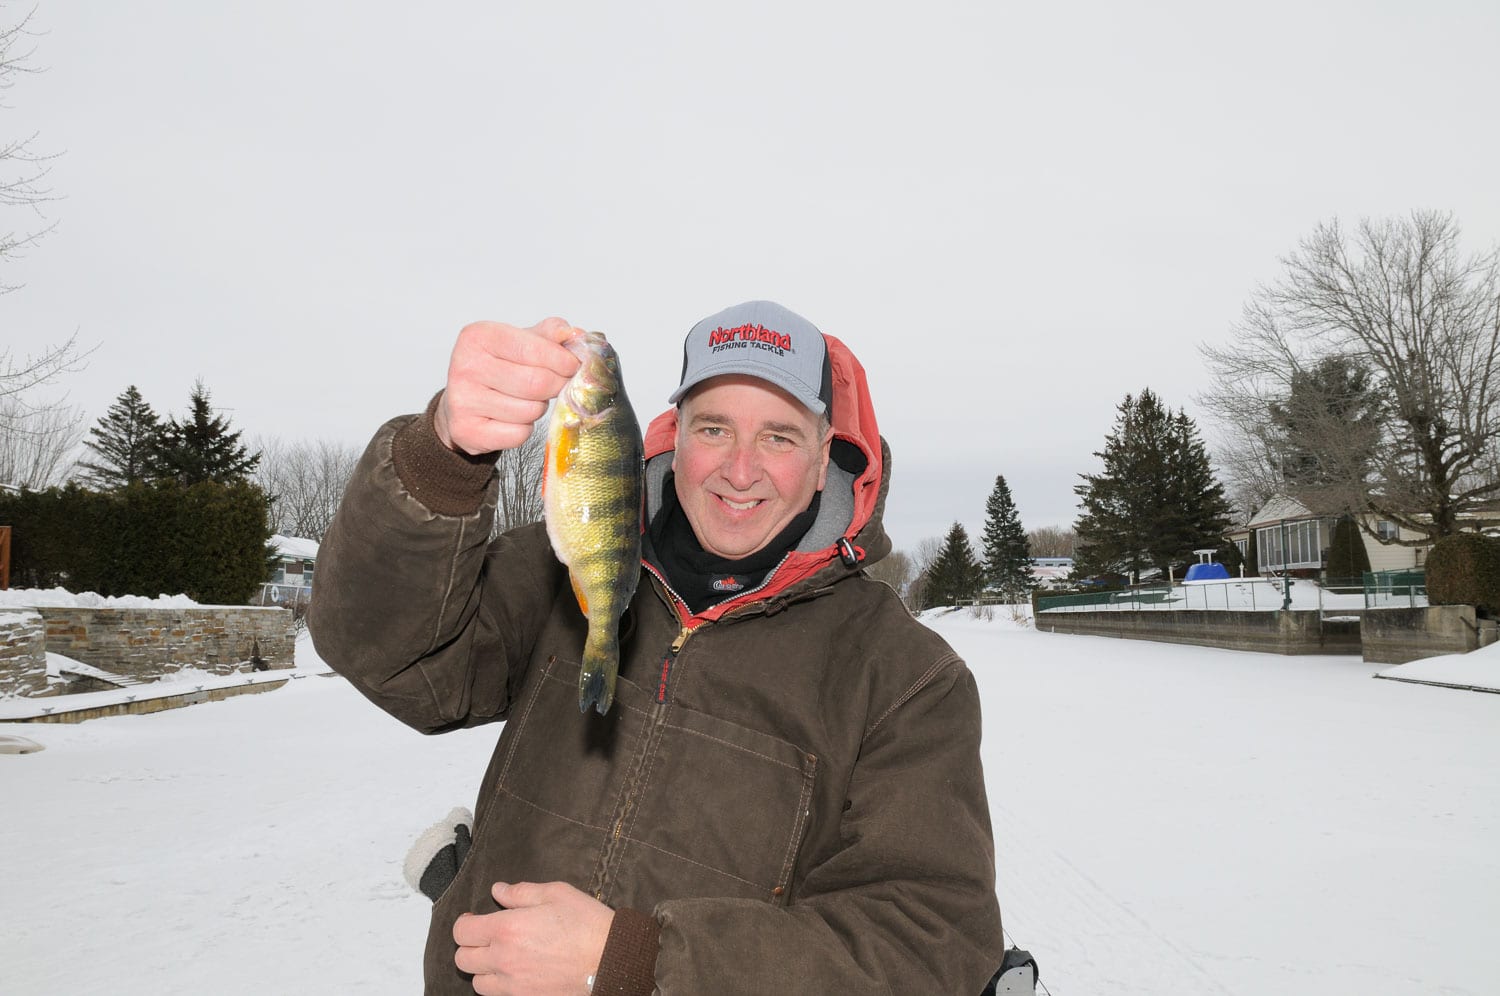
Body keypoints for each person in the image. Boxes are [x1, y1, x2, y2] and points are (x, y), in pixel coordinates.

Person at [309, 300, 1004, 994]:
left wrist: (637, 958)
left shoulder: (906, 678)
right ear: (676, 436)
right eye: (714, 428)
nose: (739, 470)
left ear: (824, 461)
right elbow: (387, 652)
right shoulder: (568, 569)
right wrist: (445, 457)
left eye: (779, 438)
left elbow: (930, 943)